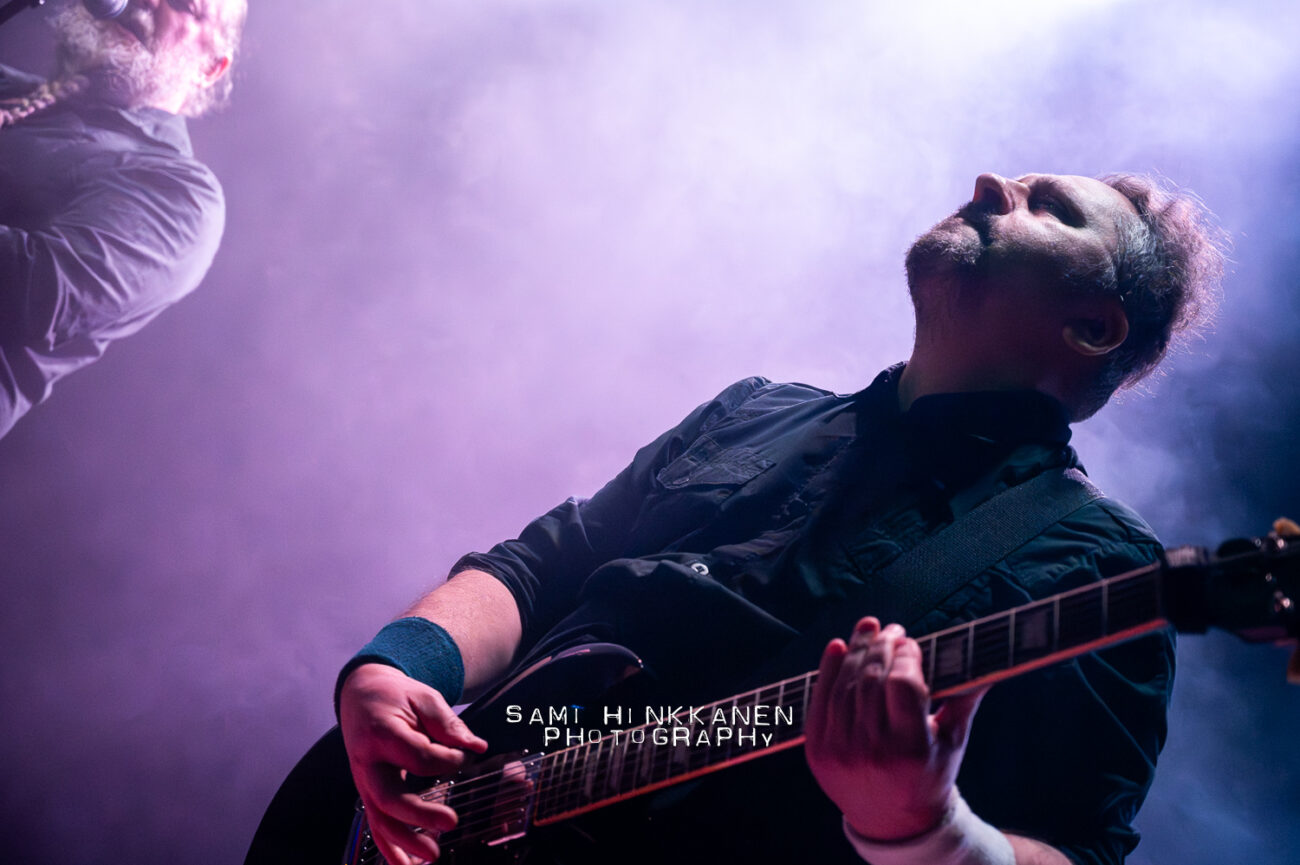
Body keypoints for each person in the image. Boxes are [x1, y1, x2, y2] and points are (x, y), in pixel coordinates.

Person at [335, 171, 1225, 865]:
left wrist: (928, 824)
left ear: (1094, 328)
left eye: (1051, 208)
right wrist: (394, 665)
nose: (993, 183)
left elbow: (1078, 845)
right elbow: (538, 568)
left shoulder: (1093, 563)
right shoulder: (754, 408)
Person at [0, 0, 247, 439]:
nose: (149, 1)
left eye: (181, 4)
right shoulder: (17, 91)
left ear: (211, 67)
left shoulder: (179, 192)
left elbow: (32, 290)